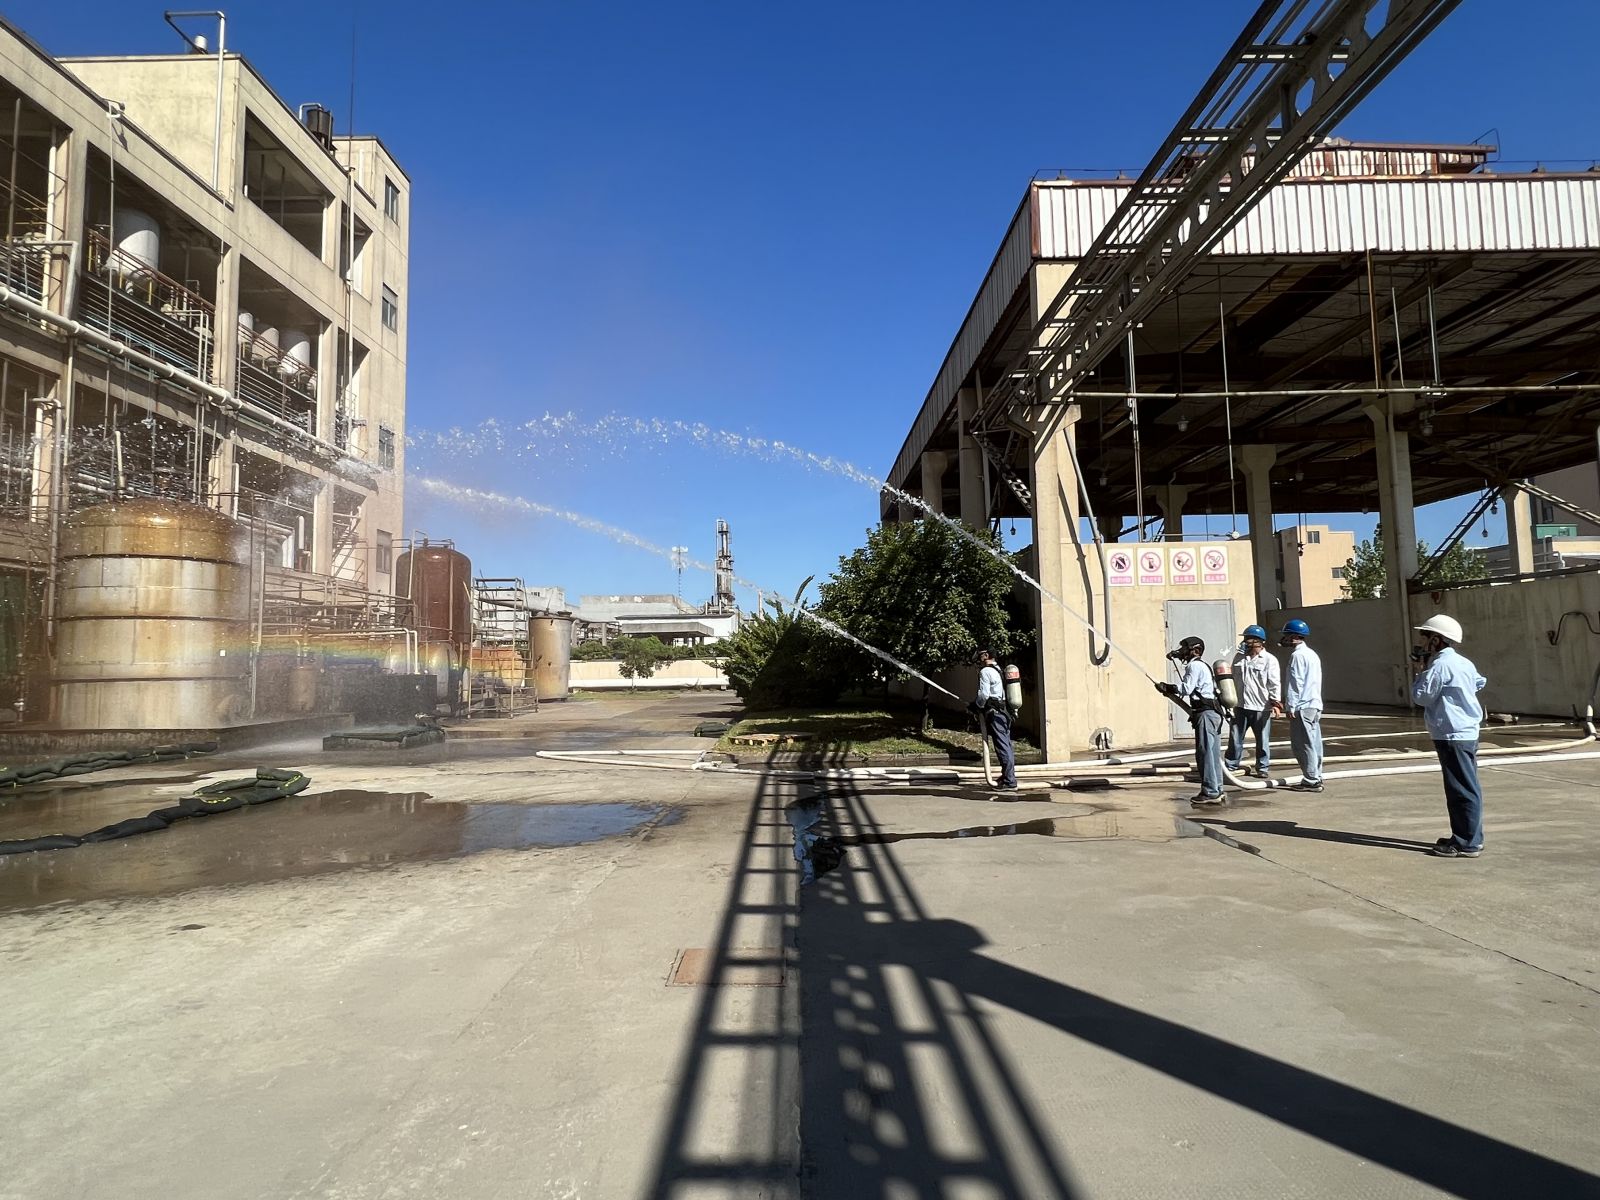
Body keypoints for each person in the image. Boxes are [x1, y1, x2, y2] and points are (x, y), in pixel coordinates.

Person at [1410, 614, 1488, 859]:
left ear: (1436, 640)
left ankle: (1467, 842)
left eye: (1425, 636)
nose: (1421, 641)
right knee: (1465, 786)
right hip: (1465, 730)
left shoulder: (1440, 665)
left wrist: (1420, 671)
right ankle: (1467, 836)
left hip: (1452, 733)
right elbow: (1479, 682)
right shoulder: (1463, 662)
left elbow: (1421, 697)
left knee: (1461, 789)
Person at [1154, 635, 1225, 806]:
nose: (1182, 652)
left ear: (1196, 650)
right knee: (1213, 753)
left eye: (1185, 648)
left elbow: (1186, 688)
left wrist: (1168, 687)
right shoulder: (1203, 666)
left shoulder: (1194, 666)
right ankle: (1217, 789)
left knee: (1205, 753)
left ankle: (1210, 792)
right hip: (1213, 713)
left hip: (1205, 714)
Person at [1273, 619, 1323, 792]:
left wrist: (1291, 706)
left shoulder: (1297, 656)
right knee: (1314, 743)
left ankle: (1311, 780)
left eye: (1286, 635)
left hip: (1302, 706)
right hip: (1314, 705)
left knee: (1302, 744)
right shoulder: (1312, 654)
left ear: (1294, 636)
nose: (1284, 639)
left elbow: (1296, 683)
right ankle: (1316, 775)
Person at [1226, 624, 1281, 779]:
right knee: (1235, 738)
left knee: (1262, 739)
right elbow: (1232, 679)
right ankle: (1231, 764)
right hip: (1240, 705)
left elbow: (1274, 683)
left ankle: (1262, 767)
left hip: (1261, 707)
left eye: (1249, 639)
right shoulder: (1239, 658)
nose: (1246, 642)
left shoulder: (1269, 660)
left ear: (1260, 641)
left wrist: (1275, 703)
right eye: (1245, 639)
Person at [970, 649, 1017, 790]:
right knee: (1007, 745)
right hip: (1005, 713)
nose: (979, 658)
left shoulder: (985, 671)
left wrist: (976, 706)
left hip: (995, 714)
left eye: (980, 655)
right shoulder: (999, 669)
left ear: (986, 655)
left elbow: (984, 695)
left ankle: (1009, 781)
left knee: (1002, 747)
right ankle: (1007, 776)